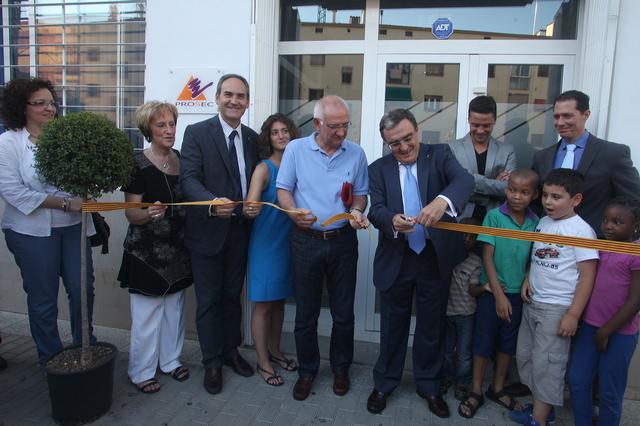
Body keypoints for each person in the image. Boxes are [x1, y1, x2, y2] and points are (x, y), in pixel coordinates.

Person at [366, 108, 474, 418]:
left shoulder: (440, 155)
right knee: (392, 325)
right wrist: (391, 220)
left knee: (431, 326)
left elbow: (464, 181)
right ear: (386, 143)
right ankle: (385, 383)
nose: (402, 147)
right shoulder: (378, 169)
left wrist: (442, 201)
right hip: (397, 257)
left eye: (407, 138)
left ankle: (429, 385)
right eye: (394, 143)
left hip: (433, 258)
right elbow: (376, 209)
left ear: (417, 130)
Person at [276, 95, 369, 401]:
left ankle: (341, 369)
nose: (342, 132)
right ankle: (307, 371)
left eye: (345, 125)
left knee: (343, 314)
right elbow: (283, 190)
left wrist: (357, 210)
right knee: (306, 314)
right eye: (334, 126)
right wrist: (293, 212)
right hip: (306, 241)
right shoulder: (296, 149)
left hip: (343, 242)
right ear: (317, 123)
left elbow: (361, 194)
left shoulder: (356, 153)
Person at [0, 77, 96, 367]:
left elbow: (86, 176)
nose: (49, 108)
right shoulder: (8, 143)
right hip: (31, 233)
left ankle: (85, 349)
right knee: (43, 298)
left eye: (51, 103)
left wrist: (89, 190)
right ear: (22, 107)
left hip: (74, 228)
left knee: (82, 290)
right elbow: (12, 191)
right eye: (39, 103)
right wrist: (63, 203)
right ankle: (50, 359)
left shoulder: (69, 137)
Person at [180, 74, 259, 395]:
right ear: (217, 98)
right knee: (209, 301)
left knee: (232, 297)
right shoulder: (197, 133)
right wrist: (212, 204)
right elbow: (188, 179)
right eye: (228, 94)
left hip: (240, 233)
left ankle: (230, 352)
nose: (234, 101)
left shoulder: (252, 138)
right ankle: (212, 362)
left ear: (247, 102)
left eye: (240, 96)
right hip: (207, 233)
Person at [511, 168, 599, 426]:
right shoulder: (543, 222)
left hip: (557, 309)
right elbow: (537, 255)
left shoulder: (582, 231)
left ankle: (539, 420)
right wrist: (528, 277)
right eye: (546, 195)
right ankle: (542, 408)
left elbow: (587, 276)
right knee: (527, 357)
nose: (548, 201)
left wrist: (573, 314)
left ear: (576, 199)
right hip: (533, 303)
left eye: (556, 197)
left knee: (548, 366)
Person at [118, 101, 192, 394]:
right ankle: (141, 372)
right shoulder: (137, 163)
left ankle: (170, 361)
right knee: (147, 316)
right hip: (146, 253)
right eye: (161, 125)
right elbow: (130, 213)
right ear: (148, 129)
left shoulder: (182, 159)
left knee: (175, 310)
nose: (169, 130)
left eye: (172, 123)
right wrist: (148, 213)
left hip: (178, 250)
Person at [458, 169, 540, 419]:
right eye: (512, 190)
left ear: (535, 195)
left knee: (507, 344)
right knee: (482, 342)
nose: (516, 196)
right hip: (492, 293)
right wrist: (498, 295)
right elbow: (487, 256)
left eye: (524, 192)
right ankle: (476, 390)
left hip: (518, 295)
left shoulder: (536, 222)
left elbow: (534, 257)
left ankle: (498, 388)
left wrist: (527, 278)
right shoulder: (494, 217)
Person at [568, 198, 640, 426]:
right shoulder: (599, 246)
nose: (608, 226)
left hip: (620, 332)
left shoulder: (636, 252)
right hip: (590, 326)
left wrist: (605, 331)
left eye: (617, 222)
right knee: (577, 380)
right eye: (605, 220)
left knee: (610, 391)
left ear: (635, 225)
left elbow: (635, 301)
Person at [532, 90, 640, 237]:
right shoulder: (541, 157)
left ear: (586, 114)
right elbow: (534, 201)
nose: (560, 122)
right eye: (556, 116)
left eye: (567, 116)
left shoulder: (613, 154)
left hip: (593, 244)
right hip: (546, 243)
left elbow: (633, 201)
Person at [243, 113, 300, 386]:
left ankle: (275, 351)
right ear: (268, 137)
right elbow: (250, 205)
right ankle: (263, 362)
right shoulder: (263, 169)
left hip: (289, 242)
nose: (281, 136)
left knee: (279, 301)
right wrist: (250, 208)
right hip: (266, 244)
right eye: (275, 132)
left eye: (285, 130)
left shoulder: (297, 164)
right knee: (264, 304)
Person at [449, 95, 516, 221]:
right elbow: (452, 187)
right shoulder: (451, 149)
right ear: (468, 120)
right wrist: (494, 184)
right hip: (460, 221)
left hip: (495, 221)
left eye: (486, 125)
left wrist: (467, 180)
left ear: (495, 120)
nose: (480, 130)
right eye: (475, 125)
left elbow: (509, 189)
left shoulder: (507, 151)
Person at [442, 216, 483, 401]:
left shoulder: (476, 262)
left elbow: (473, 290)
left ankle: (463, 382)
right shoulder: (449, 255)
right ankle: (446, 378)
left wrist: (485, 288)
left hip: (466, 314)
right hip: (447, 312)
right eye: (463, 234)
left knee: (464, 353)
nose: (466, 239)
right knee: (447, 350)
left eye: (471, 236)